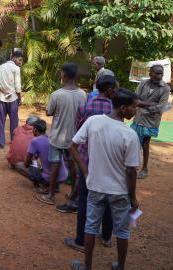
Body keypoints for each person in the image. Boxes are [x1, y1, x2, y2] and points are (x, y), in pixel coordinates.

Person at [68, 88, 140, 270]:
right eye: (134, 107)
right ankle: (120, 267)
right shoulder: (129, 134)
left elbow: (72, 146)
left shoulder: (93, 122)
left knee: (90, 227)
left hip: (95, 187)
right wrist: (133, 198)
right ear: (123, 108)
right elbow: (131, 171)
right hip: (119, 191)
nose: (135, 111)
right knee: (122, 231)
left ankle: (87, 266)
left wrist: (85, 172)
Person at [62, 75, 117, 252]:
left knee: (85, 201)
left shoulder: (85, 108)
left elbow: (78, 133)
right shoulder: (116, 108)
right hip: (110, 163)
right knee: (109, 200)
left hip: (87, 161)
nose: (116, 91)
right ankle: (107, 237)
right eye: (114, 88)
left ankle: (80, 240)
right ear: (109, 90)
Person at [38, 62, 86, 205]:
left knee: (55, 165)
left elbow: (49, 112)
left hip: (56, 137)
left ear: (64, 75)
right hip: (74, 138)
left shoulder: (56, 94)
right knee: (73, 166)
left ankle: (51, 195)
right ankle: (72, 195)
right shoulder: (83, 94)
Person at [131, 65, 170, 179]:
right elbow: (135, 98)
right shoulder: (143, 83)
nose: (159, 76)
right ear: (150, 73)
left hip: (151, 121)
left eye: (161, 73)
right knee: (134, 142)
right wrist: (149, 105)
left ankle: (144, 169)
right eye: (156, 73)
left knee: (145, 144)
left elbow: (160, 108)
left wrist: (141, 105)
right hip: (138, 118)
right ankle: (132, 167)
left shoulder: (165, 88)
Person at [20, 118, 68, 192]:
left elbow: (26, 164)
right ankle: (55, 186)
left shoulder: (34, 141)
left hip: (50, 177)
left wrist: (32, 160)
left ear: (35, 130)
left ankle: (43, 186)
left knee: (19, 166)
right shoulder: (51, 138)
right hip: (63, 177)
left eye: (32, 129)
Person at [0, 50, 24, 149]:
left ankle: (1, 143)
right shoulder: (16, 68)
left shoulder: (0, 67)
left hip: (2, 98)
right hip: (13, 98)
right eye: (20, 60)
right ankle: (14, 142)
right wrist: (19, 98)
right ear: (14, 58)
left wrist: (2, 89)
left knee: (1, 121)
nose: (20, 62)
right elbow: (18, 86)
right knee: (14, 121)